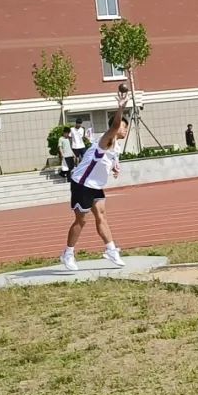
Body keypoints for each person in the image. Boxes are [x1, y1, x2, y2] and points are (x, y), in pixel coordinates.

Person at [61, 93, 129, 270]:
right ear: (115, 128)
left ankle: (111, 250)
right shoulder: (105, 140)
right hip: (81, 183)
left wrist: (114, 167)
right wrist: (120, 108)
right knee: (81, 220)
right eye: (123, 126)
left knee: (101, 216)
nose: (125, 130)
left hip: (96, 186)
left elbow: (108, 159)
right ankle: (68, 253)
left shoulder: (116, 146)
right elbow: (114, 126)